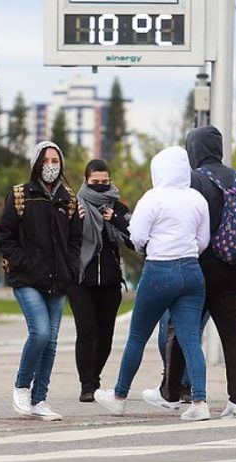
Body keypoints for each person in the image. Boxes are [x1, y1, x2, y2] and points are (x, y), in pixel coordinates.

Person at [144, 126, 236, 418]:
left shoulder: (193, 179)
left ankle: (170, 391)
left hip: (202, 265)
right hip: (235, 268)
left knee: (183, 328)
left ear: (194, 150)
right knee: (234, 333)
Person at [94, 146, 211, 421]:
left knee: (137, 336)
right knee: (191, 339)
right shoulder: (197, 199)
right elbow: (203, 240)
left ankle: (120, 396)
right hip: (193, 271)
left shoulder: (153, 197)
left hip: (160, 270)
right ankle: (200, 401)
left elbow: (137, 237)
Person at [0, 141, 82, 421]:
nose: (51, 166)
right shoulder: (20, 195)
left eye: (55, 161)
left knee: (53, 341)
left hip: (58, 280)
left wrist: (71, 266)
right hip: (27, 278)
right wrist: (22, 261)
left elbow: (75, 239)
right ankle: (22, 385)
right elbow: (5, 235)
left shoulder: (69, 199)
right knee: (41, 333)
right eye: (45, 160)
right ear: (36, 164)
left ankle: (40, 398)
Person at [67, 159, 133, 402]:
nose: (101, 187)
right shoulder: (73, 205)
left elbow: (135, 240)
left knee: (105, 336)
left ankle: (95, 378)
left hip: (110, 282)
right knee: (86, 331)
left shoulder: (119, 207)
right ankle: (86, 385)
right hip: (80, 281)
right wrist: (75, 221)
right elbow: (63, 239)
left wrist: (115, 219)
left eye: (105, 182)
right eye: (95, 183)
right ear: (86, 181)